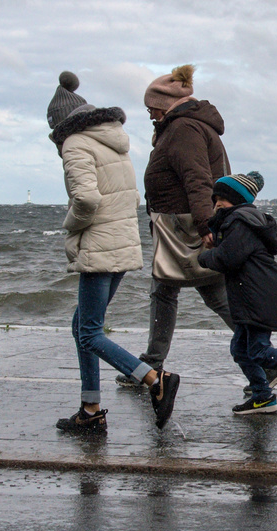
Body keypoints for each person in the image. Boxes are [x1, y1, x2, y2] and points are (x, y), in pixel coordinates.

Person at [45, 71, 179, 432]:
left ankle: (153, 380)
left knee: (88, 331)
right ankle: (90, 411)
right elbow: (131, 196)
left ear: (59, 125)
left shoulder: (75, 144)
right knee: (83, 326)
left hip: (99, 246)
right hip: (121, 243)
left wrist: (70, 224)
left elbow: (87, 199)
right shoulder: (114, 141)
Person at [131, 64, 236, 380]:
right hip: (178, 229)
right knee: (165, 291)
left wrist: (206, 225)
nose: (149, 114)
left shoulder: (183, 130)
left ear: (163, 105)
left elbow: (197, 178)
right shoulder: (183, 126)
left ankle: (268, 360)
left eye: (151, 107)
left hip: (188, 230)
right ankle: (152, 363)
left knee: (216, 295)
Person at [195, 171, 277, 416]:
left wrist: (204, 257)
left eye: (221, 200)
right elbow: (235, 250)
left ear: (236, 200)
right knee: (240, 349)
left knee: (257, 350)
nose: (216, 205)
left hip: (258, 295)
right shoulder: (240, 221)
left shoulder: (239, 221)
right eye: (215, 200)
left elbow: (228, 258)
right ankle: (263, 397)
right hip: (254, 293)